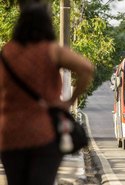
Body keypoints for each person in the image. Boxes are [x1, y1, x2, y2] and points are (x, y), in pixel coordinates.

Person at [0, 3, 94, 185]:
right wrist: (69, 101)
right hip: (43, 132)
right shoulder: (51, 50)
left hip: (10, 134)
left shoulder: (7, 53)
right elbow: (86, 69)